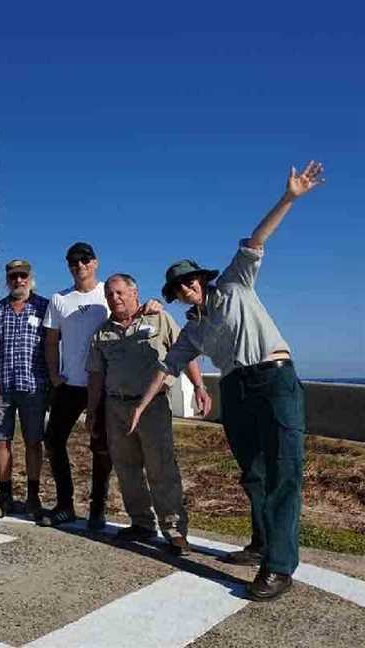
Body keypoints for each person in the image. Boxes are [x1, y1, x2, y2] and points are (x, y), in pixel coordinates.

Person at [130, 161, 324, 601]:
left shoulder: (236, 284)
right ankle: (261, 544)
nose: (184, 290)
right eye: (176, 289)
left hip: (274, 381)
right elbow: (166, 368)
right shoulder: (194, 329)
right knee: (253, 475)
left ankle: (279, 567)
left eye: (188, 282)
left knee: (283, 473)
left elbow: (257, 240)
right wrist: (141, 406)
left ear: (202, 279)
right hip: (235, 390)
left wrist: (290, 197)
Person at [86, 274, 210, 555]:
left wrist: (199, 386)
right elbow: (96, 374)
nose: (114, 298)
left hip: (152, 406)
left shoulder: (159, 319)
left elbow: (185, 352)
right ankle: (141, 523)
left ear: (134, 292)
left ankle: (175, 530)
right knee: (127, 469)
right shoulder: (101, 332)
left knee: (161, 467)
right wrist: (93, 411)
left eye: (119, 292)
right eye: (108, 294)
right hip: (116, 407)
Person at [38, 241, 113, 528]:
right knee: (54, 441)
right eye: (73, 261)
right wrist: (54, 375)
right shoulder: (59, 299)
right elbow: (51, 340)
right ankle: (65, 504)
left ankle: (98, 509)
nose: (79, 265)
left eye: (85, 260)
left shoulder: (107, 294)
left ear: (95, 263)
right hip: (69, 384)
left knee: (100, 446)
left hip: (103, 385)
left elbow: (131, 311)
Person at [0, 260, 48, 519]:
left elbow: (54, 344)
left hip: (34, 387)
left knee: (33, 441)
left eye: (23, 276)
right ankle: (4, 495)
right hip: (2, 387)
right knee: (1, 441)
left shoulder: (44, 307)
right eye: (14, 276)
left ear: (30, 278)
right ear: (7, 279)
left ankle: (33, 496)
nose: (19, 280)